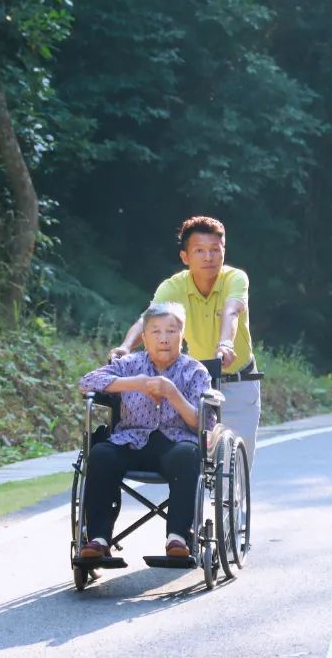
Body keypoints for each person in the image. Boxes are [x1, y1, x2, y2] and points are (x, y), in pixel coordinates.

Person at [110, 216, 262, 463]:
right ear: (185, 257)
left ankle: (234, 491)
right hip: (196, 382)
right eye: (199, 251)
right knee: (197, 458)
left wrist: (225, 344)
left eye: (215, 250)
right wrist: (126, 347)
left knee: (238, 460)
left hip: (239, 381)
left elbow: (232, 311)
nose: (208, 257)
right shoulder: (174, 286)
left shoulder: (235, 278)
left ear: (224, 251)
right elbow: (147, 320)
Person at [78, 301, 211, 559]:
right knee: (101, 455)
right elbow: (87, 382)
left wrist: (173, 393)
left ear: (182, 335)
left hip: (175, 443)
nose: (163, 338)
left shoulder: (195, 371)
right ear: (145, 337)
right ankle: (98, 538)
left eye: (171, 331)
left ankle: (178, 537)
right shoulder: (129, 364)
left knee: (189, 455)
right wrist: (134, 384)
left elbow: (202, 424)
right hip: (130, 439)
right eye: (155, 331)